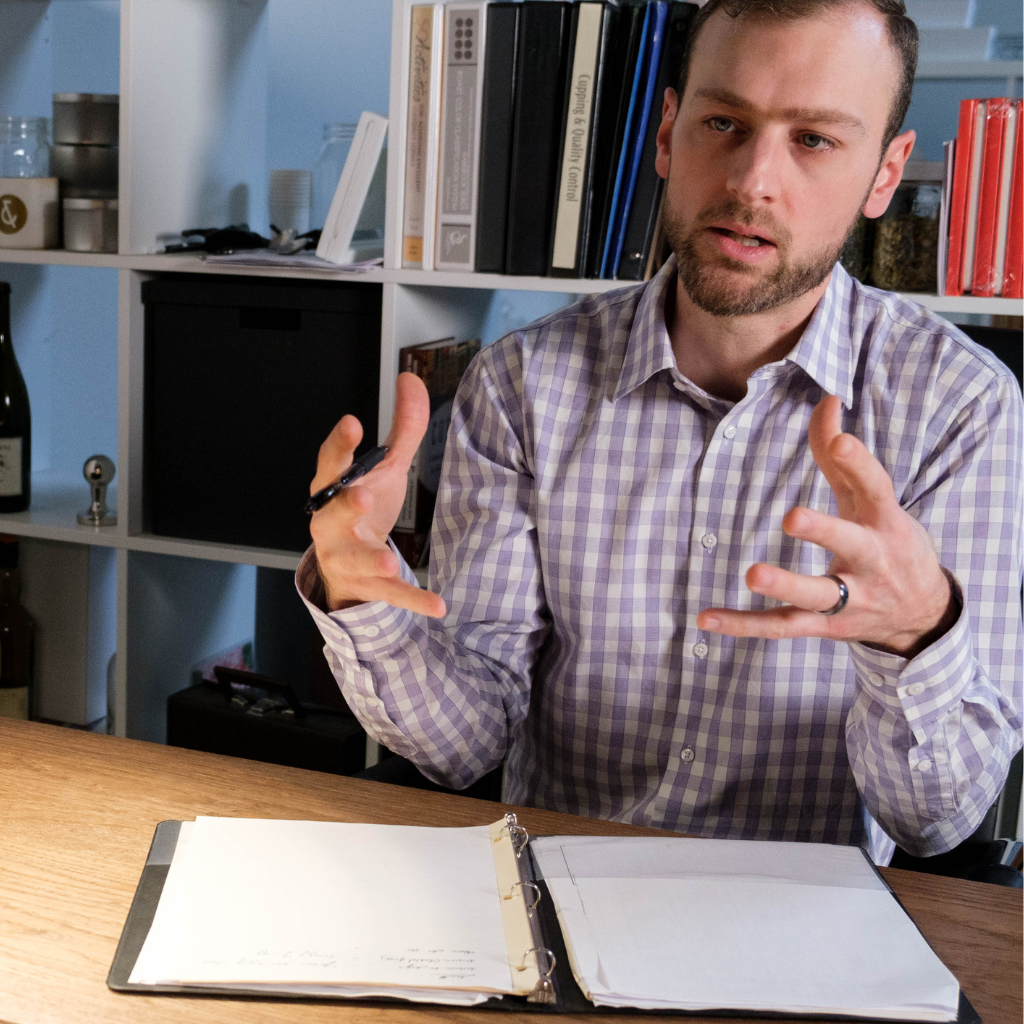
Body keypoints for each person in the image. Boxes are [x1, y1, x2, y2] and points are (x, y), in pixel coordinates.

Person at [298, 0, 1023, 863]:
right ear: (669, 132)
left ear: (885, 174)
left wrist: (915, 633)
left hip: (804, 937)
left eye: (814, 141)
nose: (753, 181)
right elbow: (466, 748)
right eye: (725, 122)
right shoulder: (522, 383)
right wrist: (363, 600)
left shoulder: (962, 407)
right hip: (558, 899)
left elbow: (934, 822)